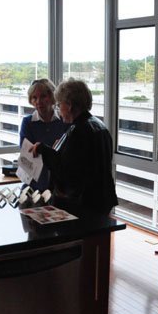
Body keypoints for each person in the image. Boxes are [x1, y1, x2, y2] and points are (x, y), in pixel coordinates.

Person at [30, 78, 118, 216]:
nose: (58, 110)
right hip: (103, 199)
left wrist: (43, 149)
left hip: (85, 204)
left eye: (59, 105)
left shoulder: (78, 130)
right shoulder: (99, 125)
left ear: (69, 105)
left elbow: (67, 171)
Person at [19, 78, 68, 192]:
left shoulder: (63, 120)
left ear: (52, 97)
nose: (38, 101)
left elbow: (66, 154)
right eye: (34, 98)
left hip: (59, 187)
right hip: (33, 185)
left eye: (43, 96)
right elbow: (28, 154)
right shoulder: (28, 122)